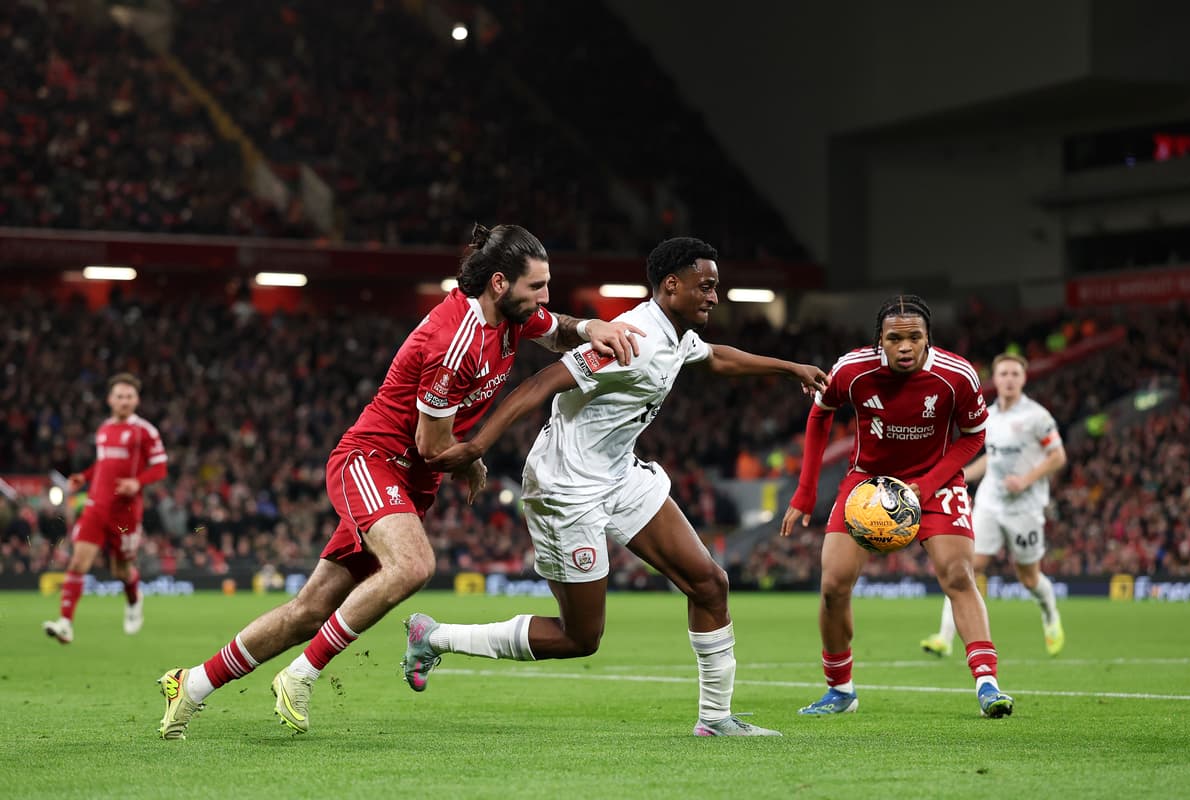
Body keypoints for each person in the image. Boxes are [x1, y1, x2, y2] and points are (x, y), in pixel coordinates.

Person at [155, 224, 644, 739]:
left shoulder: (511, 316)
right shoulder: (455, 342)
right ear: (499, 283)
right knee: (414, 565)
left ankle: (191, 686)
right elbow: (433, 447)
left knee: (310, 610)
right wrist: (474, 457)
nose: (545, 297)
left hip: (411, 482)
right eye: (537, 287)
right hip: (372, 462)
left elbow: (557, 327)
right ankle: (301, 674)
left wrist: (593, 327)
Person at [410, 236, 828, 737]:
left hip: (619, 474)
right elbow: (541, 384)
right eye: (707, 286)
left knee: (709, 583)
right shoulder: (635, 338)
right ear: (671, 286)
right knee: (580, 637)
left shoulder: (675, 334)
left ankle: (716, 721)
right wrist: (476, 447)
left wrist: (789, 369)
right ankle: (434, 637)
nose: (715, 297)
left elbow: (715, 357)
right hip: (566, 488)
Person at [781, 295, 1015, 718]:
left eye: (914, 338)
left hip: (935, 481)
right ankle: (841, 690)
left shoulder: (957, 375)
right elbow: (820, 415)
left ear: (928, 339)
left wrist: (924, 486)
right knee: (833, 584)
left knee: (959, 576)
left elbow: (974, 437)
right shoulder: (852, 370)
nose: (905, 346)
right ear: (880, 341)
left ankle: (987, 684)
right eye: (895, 338)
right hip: (866, 485)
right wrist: (805, 493)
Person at [921, 353, 1067, 657]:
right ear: (995, 379)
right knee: (963, 569)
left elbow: (1058, 457)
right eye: (1003, 374)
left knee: (1028, 577)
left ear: (1024, 379)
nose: (1009, 379)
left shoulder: (1037, 417)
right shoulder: (988, 416)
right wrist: (955, 474)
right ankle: (944, 638)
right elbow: (991, 459)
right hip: (990, 502)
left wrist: (1025, 480)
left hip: (1024, 507)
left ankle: (1050, 615)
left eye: (1015, 373)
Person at [42, 373, 168, 644]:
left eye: (129, 396)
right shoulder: (104, 430)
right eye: (119, 396)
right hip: (96, 506)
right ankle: (65, 623)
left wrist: (137, 482)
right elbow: (103, 465)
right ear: (110, 399)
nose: (124, 401)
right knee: (77, 562)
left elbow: (160, 467)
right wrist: (84, 477)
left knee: (120, 570)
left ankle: (134, 598)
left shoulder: (144, 431)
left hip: (125, 513)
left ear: (137, 400)